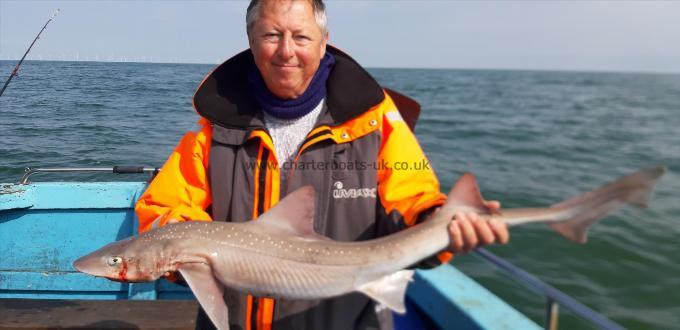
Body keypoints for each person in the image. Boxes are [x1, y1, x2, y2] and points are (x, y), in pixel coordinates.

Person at [135, 0, 509, 329]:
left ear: (324, 41)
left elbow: (414, 197)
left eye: (300, 37)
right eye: (271, 35)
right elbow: (163, 212)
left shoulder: (377, 125)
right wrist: (176, 254)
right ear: (250, 42)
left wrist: (441, 224)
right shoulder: (213, 134)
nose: (286, 51)